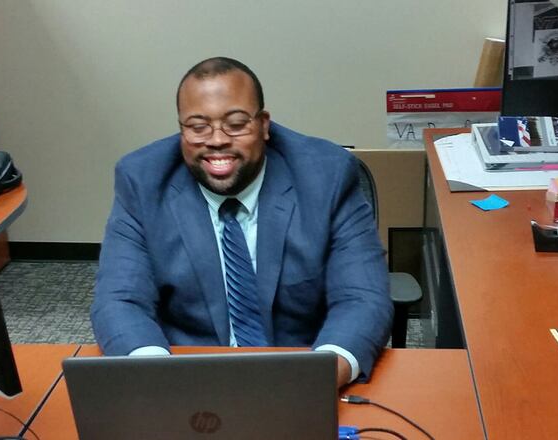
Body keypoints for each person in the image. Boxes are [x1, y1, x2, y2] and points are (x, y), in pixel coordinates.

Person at [91, 57, 392, 386]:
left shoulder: (327, 175)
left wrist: (318, 377)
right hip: (187, 376)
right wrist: (159, 377)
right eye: (197, 126)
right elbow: (120, 300)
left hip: (298, 371)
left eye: (235, 124)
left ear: (264, 125)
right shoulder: (143, 180)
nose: (217, 139)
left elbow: (362, 297)